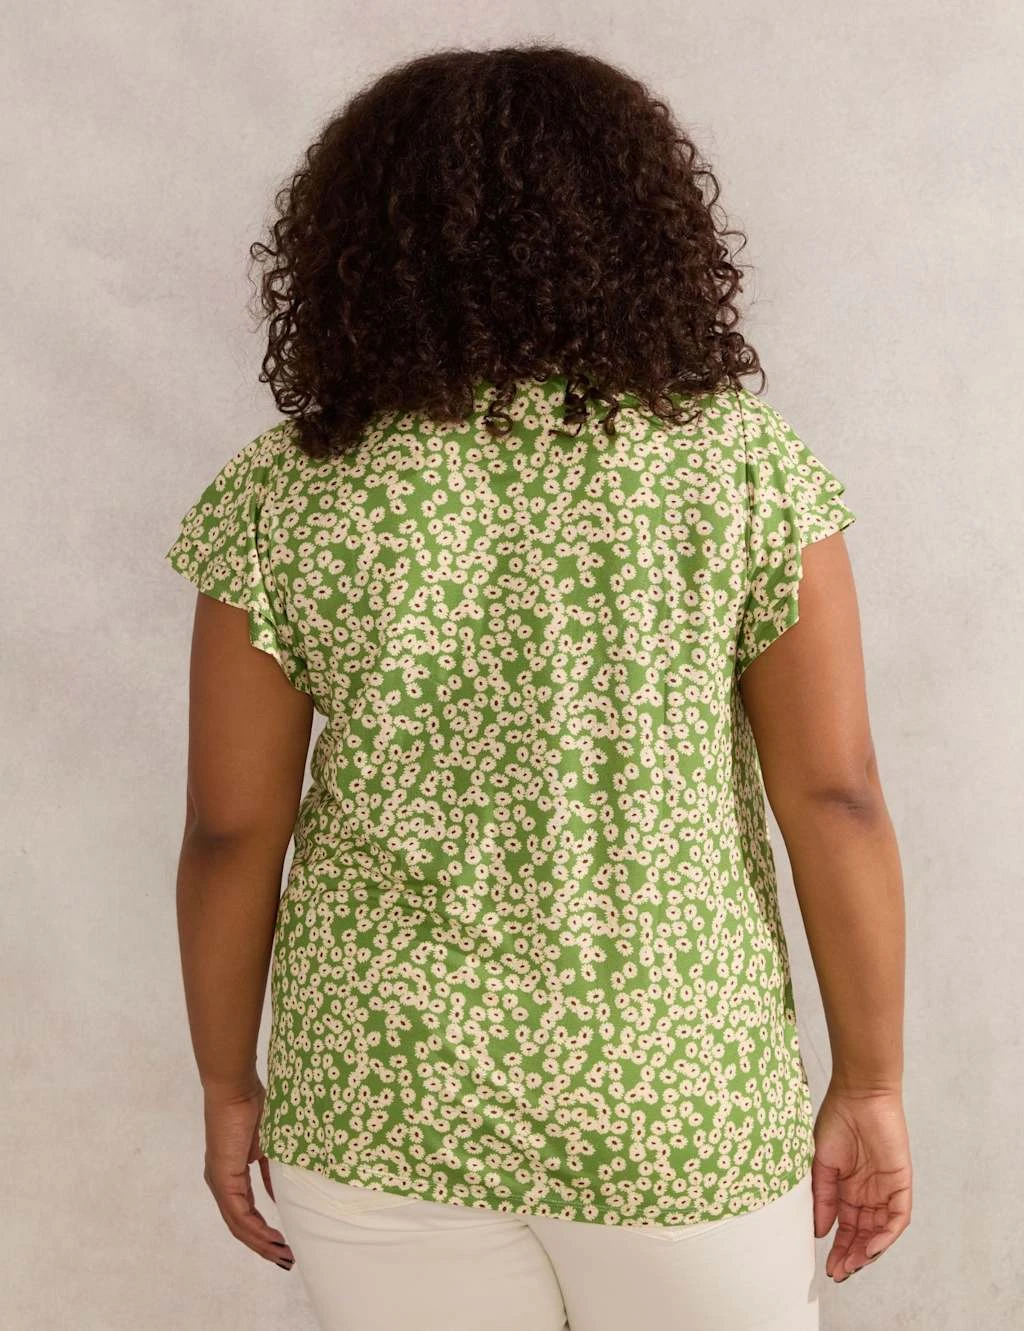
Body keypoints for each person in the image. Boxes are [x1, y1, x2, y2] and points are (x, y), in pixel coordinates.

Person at [165, 42, 911, 1331]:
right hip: (676, 1097)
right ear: (643, 232)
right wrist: (873, 1080)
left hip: (384, 1095)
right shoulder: (740, 469)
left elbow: (232, 833)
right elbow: (835, 798)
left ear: (357, 248)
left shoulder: (285, 491)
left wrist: (228, 1085)